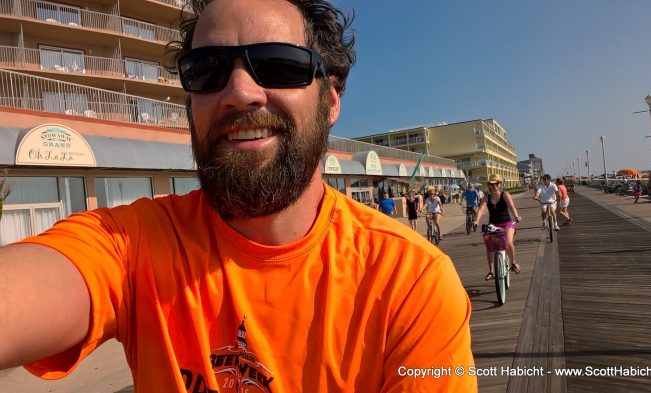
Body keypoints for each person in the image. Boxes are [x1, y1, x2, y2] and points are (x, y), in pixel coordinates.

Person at [0, 0, 477, 391]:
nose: (240, 91)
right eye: (207, 71)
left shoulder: (410, 283)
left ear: (330, 99)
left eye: (277, 65)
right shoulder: (135, 245)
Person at [473, 174, 522, 280]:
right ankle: (491, 271)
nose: (494, 186)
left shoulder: (505, 194)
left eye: (496, 184)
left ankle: (513, 263)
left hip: (507, 224)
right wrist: (476, 220)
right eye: (491, 184)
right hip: (493, 225)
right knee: (489, 245)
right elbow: (481, 209)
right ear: (489, 185)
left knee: (508, 242)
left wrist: (517, 216)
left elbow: (511, 206)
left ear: (500, 184)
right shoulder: (487, 197)